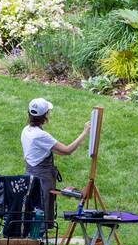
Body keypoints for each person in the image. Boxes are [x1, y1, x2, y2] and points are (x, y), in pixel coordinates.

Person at [20, 97, 88, 227]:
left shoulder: (26, 130)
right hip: (42, 178)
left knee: (33, 211)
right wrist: (84, 132)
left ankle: (33, 241)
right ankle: (37, 243)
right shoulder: (40, 135)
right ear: (45, 116)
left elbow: (58, 151)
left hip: (30, 174)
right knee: (42, 214)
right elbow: (67, 150)